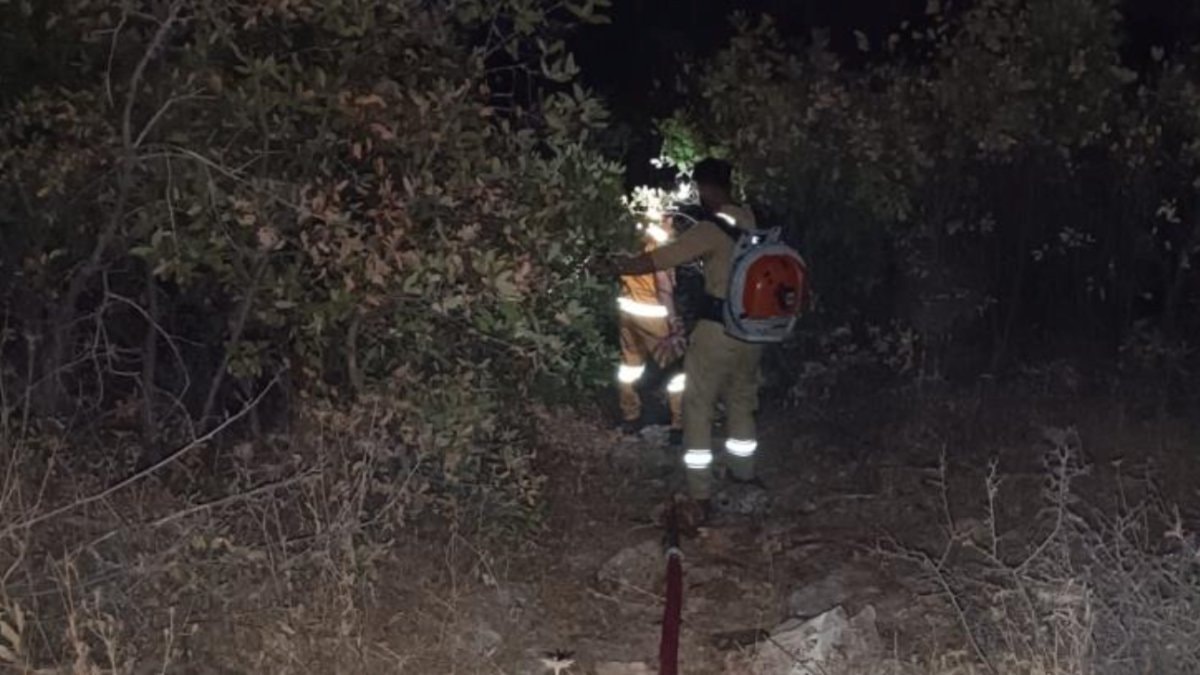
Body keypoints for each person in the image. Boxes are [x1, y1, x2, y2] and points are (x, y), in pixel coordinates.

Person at [603, 158, 763, 511]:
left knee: (697, 406)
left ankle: (700, 493)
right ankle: (744, 474)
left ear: (705, 188)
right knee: (741, 401)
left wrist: (619, 266)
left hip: (718, 329)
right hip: (752, 331)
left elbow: (661, 260)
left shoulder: (711, 228)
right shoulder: (751, 219)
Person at [616, 212, 686, 442]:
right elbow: (663, 284)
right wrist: (673, 321)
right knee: (675, 369)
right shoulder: (659, 243)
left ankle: (630, 417)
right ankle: (679, 424)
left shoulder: (630, 236)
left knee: (629, 367)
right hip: (653, 313)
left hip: (627, 310)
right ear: (665, 219)